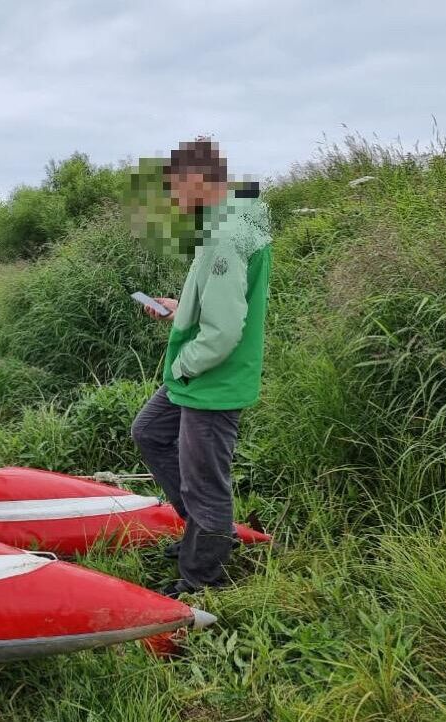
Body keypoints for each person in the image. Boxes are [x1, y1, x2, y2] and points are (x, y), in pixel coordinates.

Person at [129, 140, 272, 597]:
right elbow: (218, 297)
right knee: (149, 432)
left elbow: (225, 330)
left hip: (211, 379)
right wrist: (179, 309)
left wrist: (187, 366)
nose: (173, 197)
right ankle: (201, 534)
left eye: (175, 187)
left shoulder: (228, 233)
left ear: (197, 180)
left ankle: (201, 581)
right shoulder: (228, 221)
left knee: (205, 482)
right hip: (196, 377)